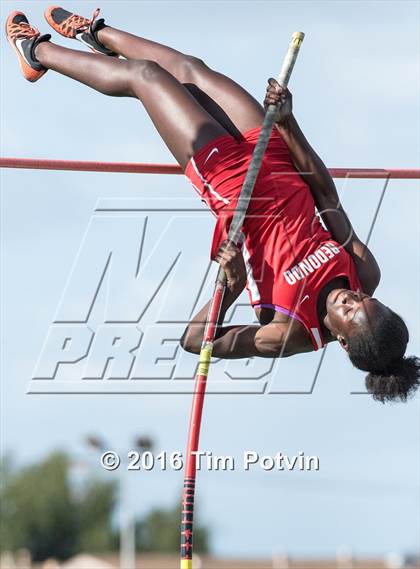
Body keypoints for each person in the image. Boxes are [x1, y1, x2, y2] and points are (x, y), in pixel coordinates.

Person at [6, 7, 419, 403]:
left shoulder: (291, 332)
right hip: (273, 153)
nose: (353, 299)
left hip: (228, 179)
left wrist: (233, 284)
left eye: (352, 311)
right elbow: (326, 196)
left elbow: (196, 341)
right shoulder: (363, 272)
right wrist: (289, 123)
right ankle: (95, 34)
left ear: (342, 340)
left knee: (145, 76)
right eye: (366, 301)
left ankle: (36, 52)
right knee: (190, 69)